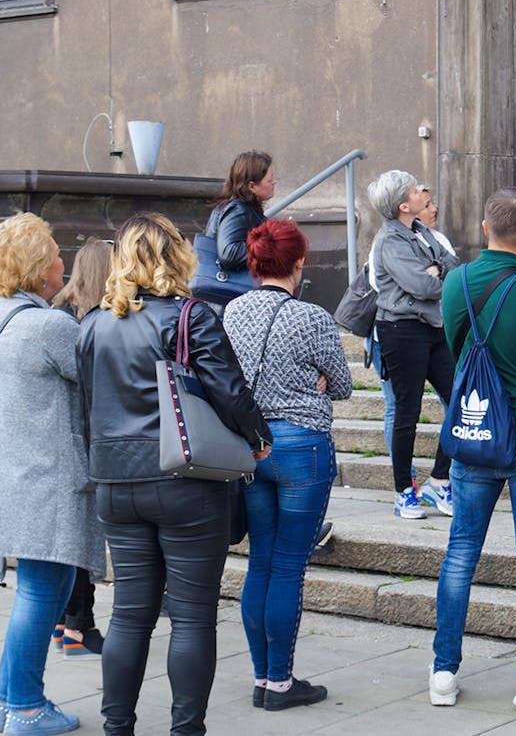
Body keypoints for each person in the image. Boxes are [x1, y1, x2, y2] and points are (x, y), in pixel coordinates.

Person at [77, 213, 272, 736]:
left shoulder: (92, 322)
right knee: (190, 616)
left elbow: (85, 408)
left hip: (115, 482)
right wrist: (257, 439)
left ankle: (116, 727)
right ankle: (186, 730)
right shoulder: (190, 316)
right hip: (184, 477)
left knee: (128, 615)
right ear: (176, 254)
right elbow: (230, 392)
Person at [429, 188, 516, 714]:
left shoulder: (456, 283)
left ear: (485, 227)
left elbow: (458, 351)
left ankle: (444, 671)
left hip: (472, 435)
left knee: (461, 549)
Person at [0, 213, 107, 735]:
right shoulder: (50, 326)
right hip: (46, 482)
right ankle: (25, 706)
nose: (62, 261)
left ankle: (7, 701)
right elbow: (100, 383)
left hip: (5, 478)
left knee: (37, 591)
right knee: (43, 593)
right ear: (38, 268)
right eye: (53, 252)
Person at [223, 219, 353, 711]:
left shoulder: (233, 313)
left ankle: (263, 677)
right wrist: (315, 379)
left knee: (260, 560)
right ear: (299, 262)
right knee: (289, 567)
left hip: (251, 447)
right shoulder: (312, 317)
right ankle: (280, 682)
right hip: (303, 448)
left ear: (255, 263)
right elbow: (341, 384)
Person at [368, 170, 461, 518]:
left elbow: (453, 265)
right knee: (408, 411)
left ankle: (439, 480)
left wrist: (436, 268)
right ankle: (403, 491)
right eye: (415, 189)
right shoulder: (390, 241)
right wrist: (436, 273)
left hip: (434, 327)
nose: (423, 190)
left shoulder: (421, 232)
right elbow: (421, 287)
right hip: (401, 330)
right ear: (404, 204)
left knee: (459, 398)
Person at [48, 236, 114, 660]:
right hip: (85, 440)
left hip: (57, 438)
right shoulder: (93, 320)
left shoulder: (56, 310)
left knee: (68, 536)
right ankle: (80, 627)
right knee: (83, 536)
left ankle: (60, 622)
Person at [204, 150, 274, 294]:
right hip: (227, 296)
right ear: (252, 186)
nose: (274, 182)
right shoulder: (238, 210)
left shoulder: (244, 209)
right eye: (270, 179)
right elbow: (229, 254)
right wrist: (270, 244)